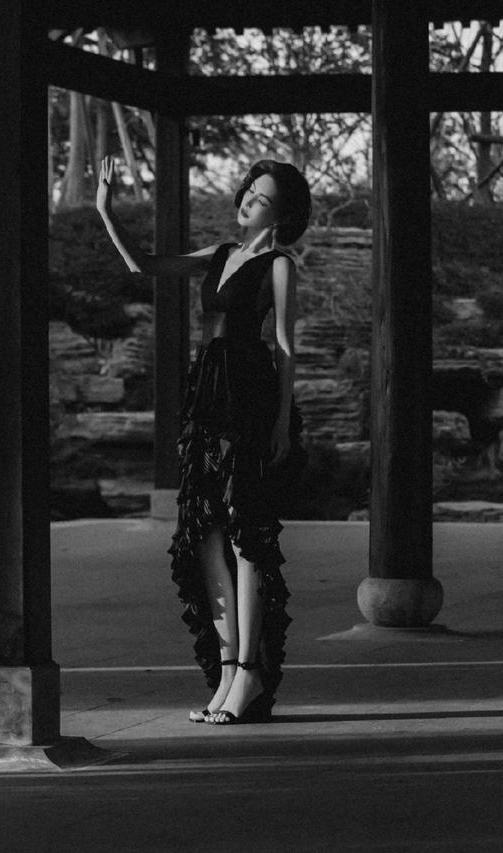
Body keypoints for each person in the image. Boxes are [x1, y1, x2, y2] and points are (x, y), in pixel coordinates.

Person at [95, 155, 309, 725]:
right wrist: (107, 211)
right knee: (206, 532)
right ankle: (228, 672)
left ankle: (250, 673)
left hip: (249, 394)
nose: (248, 202)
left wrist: (282, 422)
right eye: (248, 191)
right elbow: (145, 265)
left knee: (245, 533)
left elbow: (285, 347)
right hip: (207, 394)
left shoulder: (279, 265)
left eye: (262, 199)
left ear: (282, 215)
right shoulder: (219, 253)